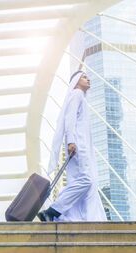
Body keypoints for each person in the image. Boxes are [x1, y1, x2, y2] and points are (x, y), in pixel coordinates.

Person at [37, 71, 107, 222]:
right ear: (75, 81)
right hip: (78, 146)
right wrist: (71, 141)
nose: (88, 79)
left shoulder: (80, 97)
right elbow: (69, 118)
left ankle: (76, 216)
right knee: (87, 180)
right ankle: (53, 210)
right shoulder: (77, 94)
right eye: (84, 77)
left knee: (83, 183)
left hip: (80, 145)